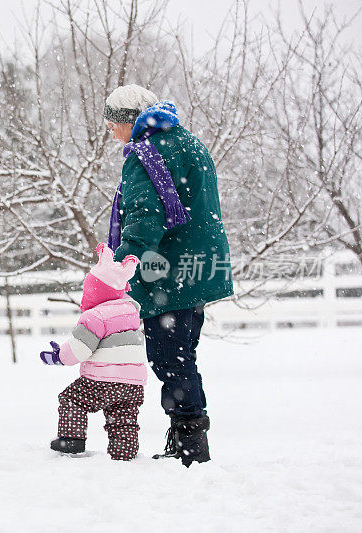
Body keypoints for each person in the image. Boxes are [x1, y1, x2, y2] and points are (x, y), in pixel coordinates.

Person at [103, 84, 234, 466]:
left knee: (169, 358)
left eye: (113, 121)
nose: (111, 130)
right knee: (182, 354)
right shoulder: (188, 142)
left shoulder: (147, 152)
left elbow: (145, 220)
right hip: (197, 270)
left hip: (169, 274)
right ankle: (189, 439)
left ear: (130, 120)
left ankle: (191, 447)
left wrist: (120, 267)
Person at [40, 243, 146, 461]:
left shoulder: (95, 316)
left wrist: (59, 356)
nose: (85, 295)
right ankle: (124, 453)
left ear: (98, 291)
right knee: (123, 417)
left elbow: (80, 348)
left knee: (71, 399)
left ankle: (71, 441)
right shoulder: (131, 314)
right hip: (134, 384)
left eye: (89, 290)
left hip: (102, 381)